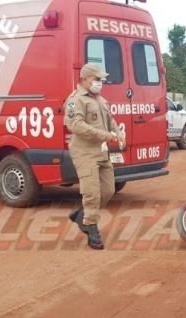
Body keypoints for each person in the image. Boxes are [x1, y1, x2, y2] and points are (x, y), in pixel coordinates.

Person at [63, 63, 125, 250]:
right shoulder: (75, 100)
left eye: (101, 79)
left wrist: (118, 133)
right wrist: (104, 135)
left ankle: (82, 215)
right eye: (97, 79)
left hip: (102, 151)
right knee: (91, 193)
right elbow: (75, 125)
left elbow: (110, 121)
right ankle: (91, 229)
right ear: (84, 79)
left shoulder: (100, 100)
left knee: (108, 190)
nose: (100, 82)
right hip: (85, 153)